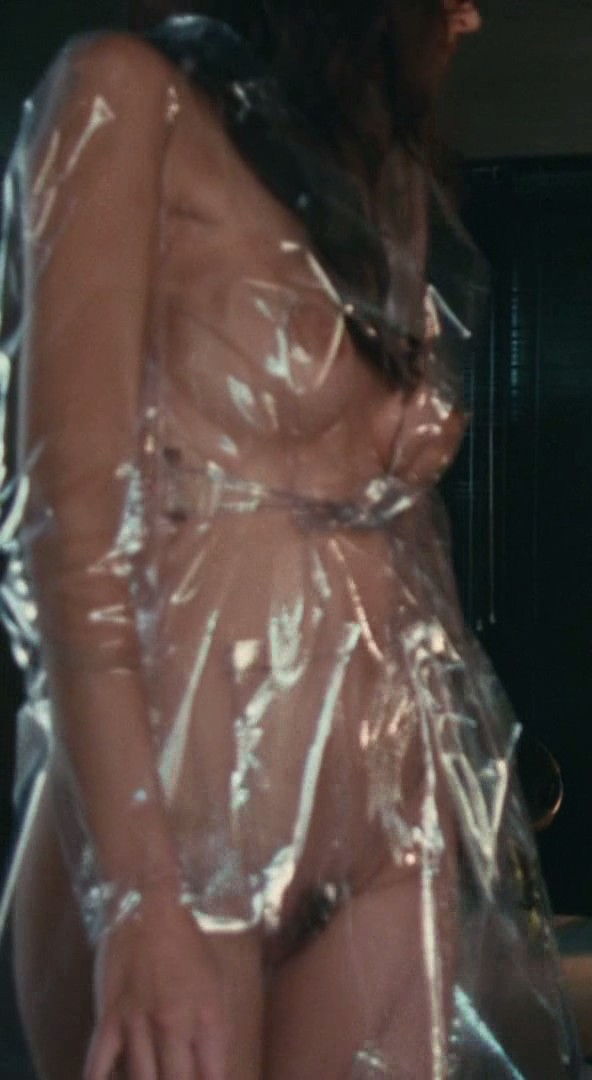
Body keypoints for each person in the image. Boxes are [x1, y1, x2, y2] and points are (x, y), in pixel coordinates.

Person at [0, 1, 582, 1077]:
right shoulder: (124, 97)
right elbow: (65, 522)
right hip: (178, 837)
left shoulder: (376, 184)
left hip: (382, 815)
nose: (469, 14)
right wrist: (138, 897)